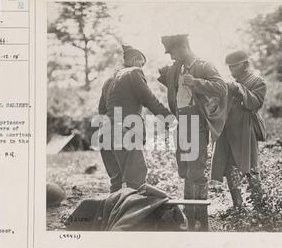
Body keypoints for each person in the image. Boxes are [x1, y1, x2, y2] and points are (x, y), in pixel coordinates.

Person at [158, 34, 228, 231]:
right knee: (185, 171)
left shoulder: (204, 66)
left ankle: (201, 223)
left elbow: (221, 88)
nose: (171, 56)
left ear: (183, 47)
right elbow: (171, 85)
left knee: (196, 172)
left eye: (172, 51)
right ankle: (191, 220)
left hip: (197, 121)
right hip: (182, 121)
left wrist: (195, 82)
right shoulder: (175, 68)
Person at [98, 44, 172, 193]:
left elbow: (101, 110)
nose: (142, 67)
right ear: (134, 59)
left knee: (116, 182)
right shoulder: (134, 72)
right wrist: (170, 119)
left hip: (104, 133)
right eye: (141, 63)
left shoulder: (108, 80)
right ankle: (135, 216)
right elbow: (149, 100)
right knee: (135, 181)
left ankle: (113, 215)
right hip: (125, 132)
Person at [211, 50, 266, 209]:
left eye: (235, 66)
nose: (231, 70)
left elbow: (256, 103)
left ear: (246, 64)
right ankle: (238, 205)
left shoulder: (257, 81)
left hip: (245, 129)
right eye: (229, 67)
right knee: (228, 167)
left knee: (250, 167)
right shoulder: (227, 81)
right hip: (226, 130)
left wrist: (240, 89)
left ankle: (259, 205)